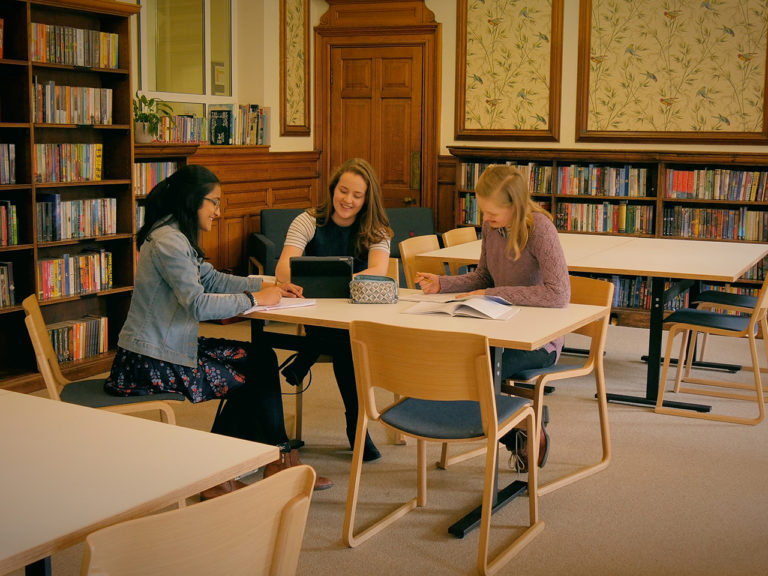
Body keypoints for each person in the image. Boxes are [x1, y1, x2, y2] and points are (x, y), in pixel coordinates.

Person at [104, 164, 333, 496]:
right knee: (247, 376)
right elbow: (197, 303)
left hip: (170, 349)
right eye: (213, 202)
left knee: (259, 357)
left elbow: (211, 279)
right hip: (149, 361)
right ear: (192, 200)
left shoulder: (177, 234)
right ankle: (248, 465)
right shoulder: (168, 241)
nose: (219, 211)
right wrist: (256, 297)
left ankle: (264, 461)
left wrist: (272, 284)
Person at [416, 164, 570, 472]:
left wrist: (494, 294)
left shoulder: (540, 229)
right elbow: (483, 276)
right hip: (495, 329)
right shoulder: (491, 227)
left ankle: (521, 423)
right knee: (460, 363)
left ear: (515, 205)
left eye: (493, 213)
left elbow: (558, 294)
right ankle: (522, 426)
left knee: (475, 370)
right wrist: (442, 284)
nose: (485, 219)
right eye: (483, 212)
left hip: (538, 340)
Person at [274, 158, 393, 462]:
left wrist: (335, 280)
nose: (348, 200)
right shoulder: (307, 220)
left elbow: (379, 269)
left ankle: (306, 357)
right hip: (318, 313)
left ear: (367, 199)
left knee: (347, 340)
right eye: (343, 191)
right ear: (332, 189)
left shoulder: (377, 228)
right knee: (346, 346)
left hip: (359, 317)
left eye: (357, 195)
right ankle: (357, 428)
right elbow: (283, 269)